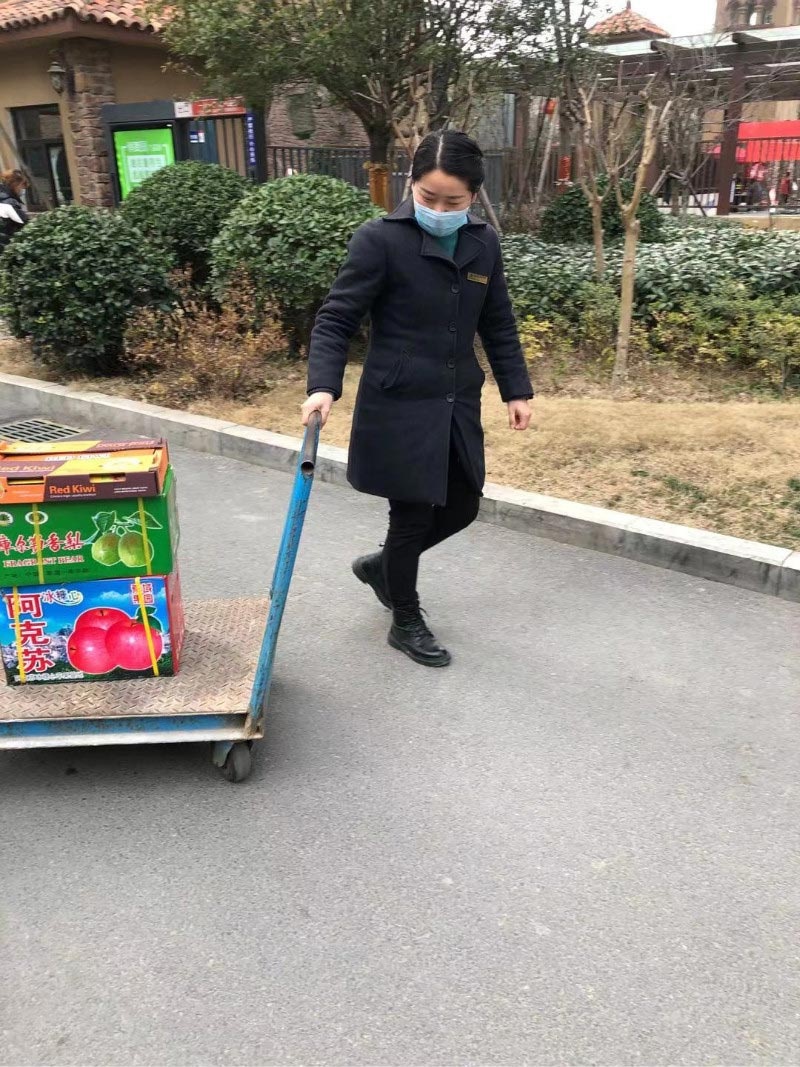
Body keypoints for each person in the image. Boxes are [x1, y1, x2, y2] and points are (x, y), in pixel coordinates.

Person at [302, 131, 533, 668]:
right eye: (429, 197)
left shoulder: (483, 242)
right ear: (412, 184)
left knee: (464, 504)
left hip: (456, 399)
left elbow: (497, 320)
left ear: (473, 195)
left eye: (454, 201)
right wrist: (322, 386)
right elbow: (336, 318)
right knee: (410, 515)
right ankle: (405, 618)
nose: (440, 211)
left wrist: (516, 389)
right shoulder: (380, 240)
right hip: (399, 403)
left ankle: (382, 567)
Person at [0, 168, 29, 253]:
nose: (23, 189)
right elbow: (24, 224)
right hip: (5, 247)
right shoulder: (9, 202)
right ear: (15, 184)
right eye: (22, 186)